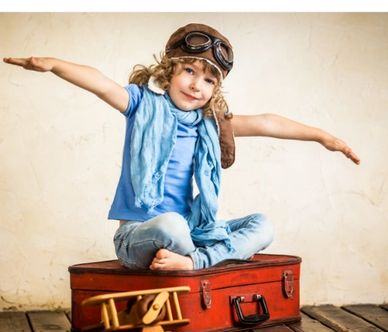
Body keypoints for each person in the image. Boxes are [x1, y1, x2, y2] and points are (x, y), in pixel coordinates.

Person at [3, 23, 360, 272]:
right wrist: (52, 65)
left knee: (262, 225)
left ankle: (192, 264)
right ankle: (204, 260)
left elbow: (268, 121)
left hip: (193, 231)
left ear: (215, 90)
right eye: (189, 71)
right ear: (169, 71)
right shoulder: (142, 105)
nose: (196, 85)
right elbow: (100, 83)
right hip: (140, 235)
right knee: (172, 225)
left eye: (208, 80)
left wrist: (323, 137)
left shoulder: (211, 123)